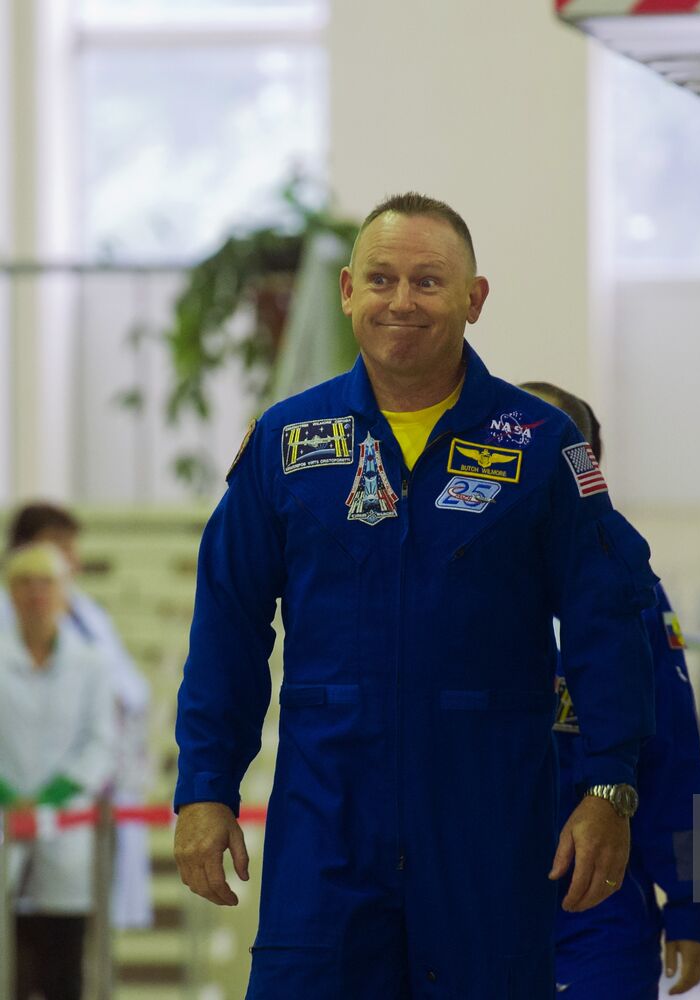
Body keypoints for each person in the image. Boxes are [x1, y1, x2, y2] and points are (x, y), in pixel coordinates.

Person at [172, 192, 658, 998]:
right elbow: (226, 623)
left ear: (474, 299)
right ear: (346, 291)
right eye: (383, 278)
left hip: (488, 832)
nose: (403, 301)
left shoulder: (541, 448)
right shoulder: (288, 444)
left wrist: (608, 786)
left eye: (429, 282)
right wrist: (203, 788)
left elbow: (609, 622)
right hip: (327, 828)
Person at [519, 381, 700, 998]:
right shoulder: (445, 585)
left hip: (597, 904)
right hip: (465, 901)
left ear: (589, 469)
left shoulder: (632, 592)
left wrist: (691, 904)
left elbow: (676, 755)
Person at [2, 502, 155, 929]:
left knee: (70, 942)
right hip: (11, 803)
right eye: (60, 546)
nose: (73, 559)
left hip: (82, 803)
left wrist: (61, 791)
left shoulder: (89, 619)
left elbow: (128, 697)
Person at [1, 542, 117, 1000]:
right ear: (11, 593)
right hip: (6, 822)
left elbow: (101, 743)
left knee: (63, 967)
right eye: (24, 583)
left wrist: (49, 798)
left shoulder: (92, 664)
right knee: (9, 967)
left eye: (46, 583)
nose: (35, 594)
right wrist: (12, 798)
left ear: (65, 591)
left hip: (67, 829)